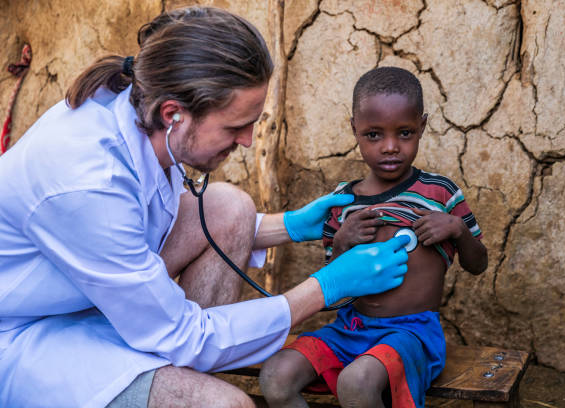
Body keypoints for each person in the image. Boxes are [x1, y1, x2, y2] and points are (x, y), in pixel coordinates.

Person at [0, 8, 414, 408]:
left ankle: (176, 379)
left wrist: (290, 226)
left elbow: (143, 226)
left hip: (88, 297)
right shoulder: (86, 182)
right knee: (225, 405)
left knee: (229, 207)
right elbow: (185, 334)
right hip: (27, 335)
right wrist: (325, 288)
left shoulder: (142, 109)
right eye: (235, 127)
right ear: (174, 115)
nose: (249, 140)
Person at [259, 67, 488, 408]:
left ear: (422, 126)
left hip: (411, 333)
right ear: (354, 129)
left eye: (405, 133)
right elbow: (331, 286)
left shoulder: (441, 193)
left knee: (357, 382)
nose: (390, 147)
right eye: (374, 135)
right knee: (275, 377)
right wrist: (340, 243)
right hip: (348, 329)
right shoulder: (343, 201)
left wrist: (456, 229)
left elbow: (478, 264)